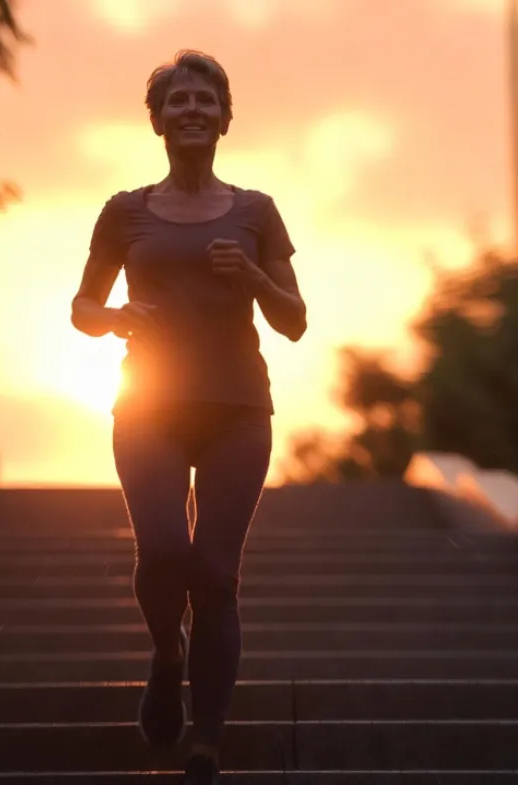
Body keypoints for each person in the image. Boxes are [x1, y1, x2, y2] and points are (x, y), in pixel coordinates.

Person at [69, 49, 307, 785]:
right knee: (164, 550)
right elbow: (81, 308)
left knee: (216, 573)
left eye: (206, 99)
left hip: (238, 406)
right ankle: (167, 654)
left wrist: (257, 273)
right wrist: (114, 318)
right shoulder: (124, 211)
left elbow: (294, 321)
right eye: (179, 101)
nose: (193, 110)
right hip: (148, 402)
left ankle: (205, 738)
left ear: (225, 118)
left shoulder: (256, 211)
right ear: (157, 121)